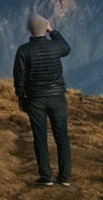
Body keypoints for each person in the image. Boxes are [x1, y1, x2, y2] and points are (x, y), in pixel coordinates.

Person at [13, 14, 72, 186]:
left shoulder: (23, 51)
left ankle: (46, 176)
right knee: (62, 137)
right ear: (44, 28)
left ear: (29, 30)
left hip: (35, 99)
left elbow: (19, 78)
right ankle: (65, 176)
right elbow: (67, 48)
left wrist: (21, 97)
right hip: (57, 97)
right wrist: (53, 31)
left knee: (40, 137)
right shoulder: (56, 47)